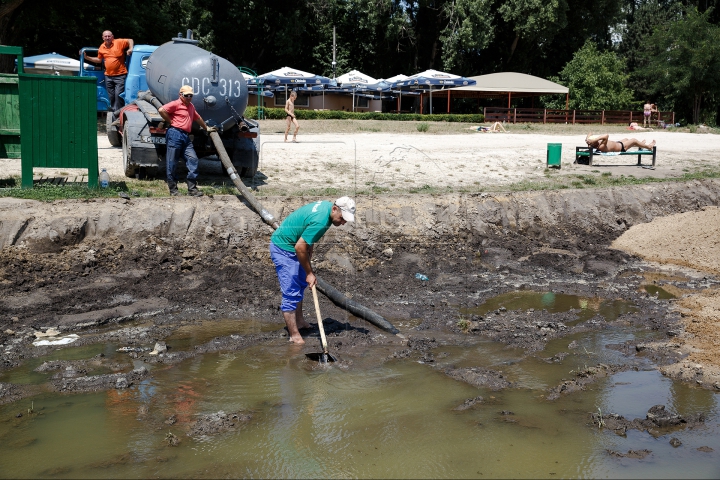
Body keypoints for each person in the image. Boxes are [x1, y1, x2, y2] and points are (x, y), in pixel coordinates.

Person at [269, 197, 356, 344]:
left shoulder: (327, 208)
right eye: (342, 218)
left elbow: (307, 231)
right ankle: (294, 334)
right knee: (291, 292)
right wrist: (310, 273)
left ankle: (300, 321)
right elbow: (299, 247)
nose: (343, 223)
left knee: (301, 284)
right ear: (335, 209)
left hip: (296, 246)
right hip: (283, 249)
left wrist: (310, 246)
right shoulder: (321, 221)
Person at [158, 85, 215, 197]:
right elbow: (161, 110)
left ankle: (192, 189)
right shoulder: (176, 104)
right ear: (181, 95)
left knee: (193, 159)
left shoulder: (191, 106)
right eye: (186, 95)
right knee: (172, 162)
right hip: (175, 134)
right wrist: (171, 121)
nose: (189, 97)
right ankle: (173, 190)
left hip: (185, 136)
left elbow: (197, 118)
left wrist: (206, 128)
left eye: (191, 95)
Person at [84, 31, 134, 112]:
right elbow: (99, 60)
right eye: (105, 36)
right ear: (103, 38)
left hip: (120, 75)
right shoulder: (102, 47)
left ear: (112, 37)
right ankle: (115, 112)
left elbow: (130, 40)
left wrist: (130, 48)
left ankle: (118, 113)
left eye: (109, 36)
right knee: (111, 96)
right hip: (108, 76)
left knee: (118, 95)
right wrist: (87, 58)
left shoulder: (118, 42)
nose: (107, 38)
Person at [585, 133, 655, 153]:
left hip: (618, 143)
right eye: (595, 140)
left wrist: (587, 139)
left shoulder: (596, 144)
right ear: (594, 143)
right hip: (621, 147)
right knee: (634, 140)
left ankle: (640, 144)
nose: (596, 140)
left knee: (626, 139)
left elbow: (590, 132)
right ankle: (649, 147)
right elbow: (606, 135)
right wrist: (595, 139)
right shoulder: (600, 147)